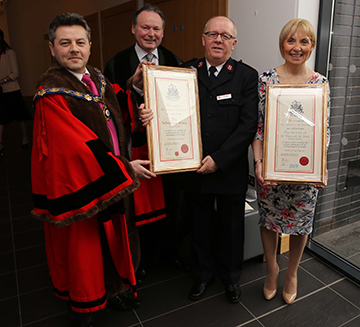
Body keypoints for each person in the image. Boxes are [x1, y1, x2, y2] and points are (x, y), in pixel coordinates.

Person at [31, 13, 156, 327]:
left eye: (80, 42)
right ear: (52, 48)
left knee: (116, 234)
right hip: (84, 183)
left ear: (89, 46)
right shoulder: (51, 91)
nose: (74, 49)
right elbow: (74, 147)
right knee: (85, 245)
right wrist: (123, 167)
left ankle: (115, 289)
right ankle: (86, 302)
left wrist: (135, 92)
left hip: (113, 177)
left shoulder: (98, 80)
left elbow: (115, 112)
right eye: (65, 43)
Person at [178, 16, 258, 303]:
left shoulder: (247, 76)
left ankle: (231, 278)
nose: (218, 40)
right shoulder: (185, 71)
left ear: (234, 43)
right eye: (213, 34)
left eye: (225, 36)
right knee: (199, 224)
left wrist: (219, 159)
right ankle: (202, 276)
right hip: (193, 166)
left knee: (231, 227)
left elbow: (248, 125)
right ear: (203, 39)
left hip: (229, 168)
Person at [252, 18, 330, 305]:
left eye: (304, 42)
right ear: (282, 44)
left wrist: (319, 166)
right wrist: (259, 162)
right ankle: (272, 268)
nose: (296, 48)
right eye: (291, 41)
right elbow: (258, 128)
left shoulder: (319, 83)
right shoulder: (266, 80)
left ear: (311, 46)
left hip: (304, 169)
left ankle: (293, 272)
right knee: (269, 221)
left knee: (302, 224)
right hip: (272, 169)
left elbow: (323, 131)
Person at [105, 5, 186, 279]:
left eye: (156, 28)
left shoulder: (174, 60)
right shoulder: (116, 63)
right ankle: (140, 258)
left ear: (163, 32)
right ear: (133, 29)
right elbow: (111, 108)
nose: (151, 34)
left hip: (170, 144)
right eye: (145, 27)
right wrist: (134, 92)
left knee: (171, 199)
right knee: (136, 203)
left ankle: (169, 252)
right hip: (133, 148)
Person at [0, 29, 32, 155]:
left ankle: (25, 137)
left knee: (19, 116)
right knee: (1, 118)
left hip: (11, 90)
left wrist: (2, 80)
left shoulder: (9, 53)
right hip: (0, 91)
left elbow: (15, 73)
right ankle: (0, 144)